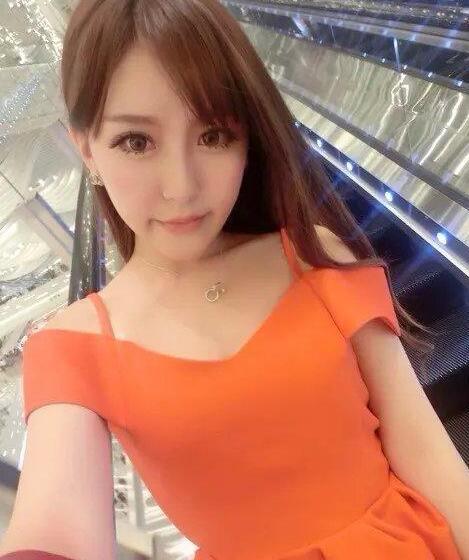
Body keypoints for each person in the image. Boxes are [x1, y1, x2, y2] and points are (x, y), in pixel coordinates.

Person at [1, 1, 467, 559]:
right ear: (87, 150)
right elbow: (54, 530)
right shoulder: (73, 348)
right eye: (136, 142)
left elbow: (425, 451)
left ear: (249, 138)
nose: (181, 187)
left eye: (214, 135)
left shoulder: (313, 256)